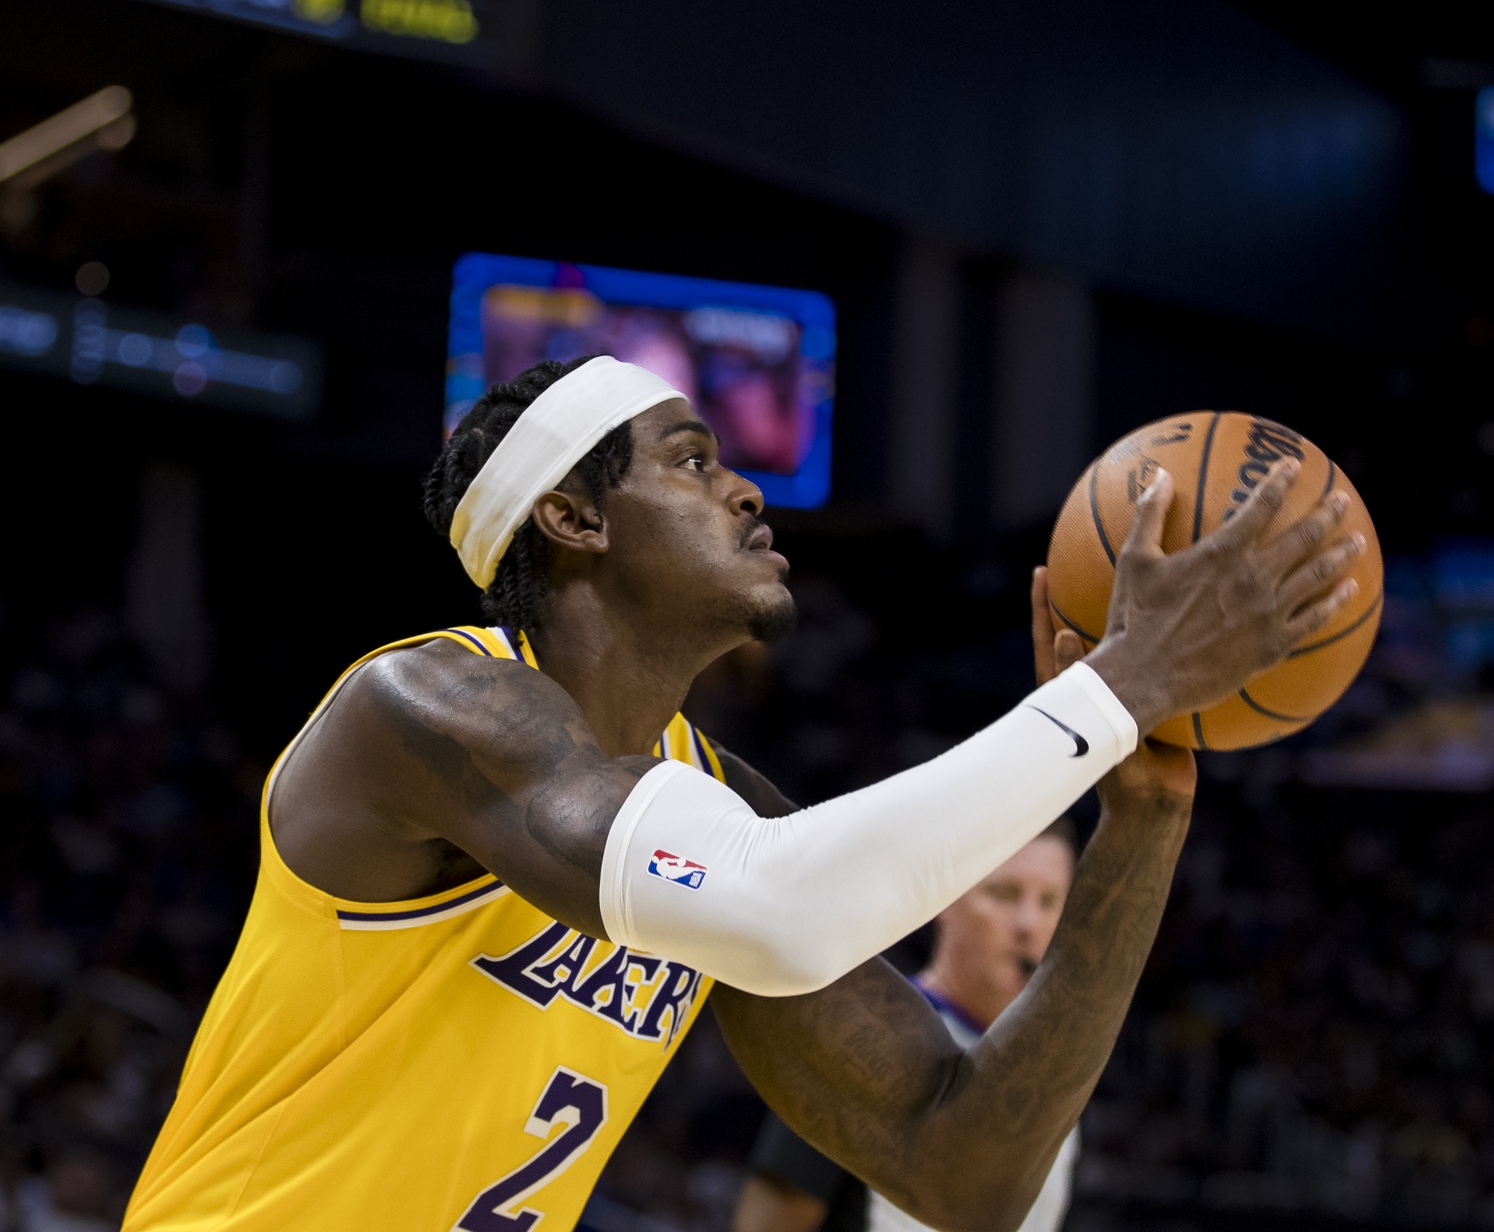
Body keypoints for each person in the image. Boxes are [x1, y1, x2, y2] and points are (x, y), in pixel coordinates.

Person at [125, 354, 1363, 1231]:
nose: (747, 488)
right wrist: (1117, 689)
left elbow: (963, 1175)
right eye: (691, 460)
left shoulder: (717, 802)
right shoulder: (423, 710)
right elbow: (782, 910)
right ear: (572, 516)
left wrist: (1139, 815)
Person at [735, 820, 1082, 1232]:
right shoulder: (860, 1039)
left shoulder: (1061, 1066)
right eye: (1004, 894)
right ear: (944, 897)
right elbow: (772, 1218)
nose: (1029, 924)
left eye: (1050, 901)